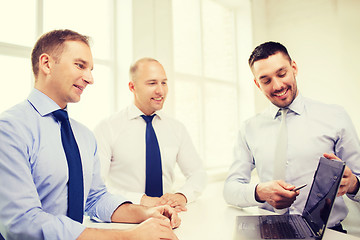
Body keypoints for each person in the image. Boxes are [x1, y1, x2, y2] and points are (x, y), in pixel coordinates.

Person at [0, 29, 180, 240]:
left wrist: (145, 213)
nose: (90, 78)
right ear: (47, 64)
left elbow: (95, 199)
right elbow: (23, 223)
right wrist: (129, 237)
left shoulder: (83, 136)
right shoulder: (10, 130)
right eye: (80, 65)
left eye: (91, 69)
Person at [223, 41, 360, 232]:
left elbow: (358, 181)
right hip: (270, 231)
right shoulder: (249, 128)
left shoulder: (336, 117)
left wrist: (354, 184)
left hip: (328, 233)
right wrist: (259, 192)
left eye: (281, 73)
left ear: (294, 68)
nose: (277, 85)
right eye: (266, 80)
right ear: (257, 83)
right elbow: (230, 189)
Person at [94, 58, 207, 212]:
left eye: (164, 83)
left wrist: (182, 195)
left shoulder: (176, 128)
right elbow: (96, 187)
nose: (160, 91)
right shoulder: (107, 128)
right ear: (132, 87)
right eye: (152, 83)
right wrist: (141, 200)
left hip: (169, 217)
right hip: (123, 220)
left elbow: (198, 173)